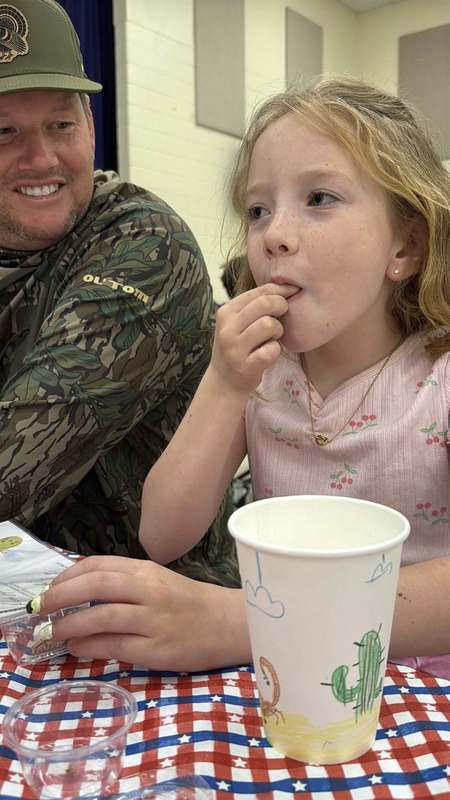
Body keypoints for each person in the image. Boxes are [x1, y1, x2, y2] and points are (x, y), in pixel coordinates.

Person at [36, 76, 450, 677]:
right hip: (278, 675)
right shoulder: (261, 374)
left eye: (320, 199)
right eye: (258, 210)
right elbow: (163, 533)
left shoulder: (438, 382)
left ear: (405, 247)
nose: (274, 235)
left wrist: (241, 622)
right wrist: (224, 382)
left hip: (414, 685)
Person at [0, 0, 238, 588]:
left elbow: (20, 457)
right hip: (25, 601)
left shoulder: (142, 242)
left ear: (89, 125)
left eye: (60, 125)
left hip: (169, 618)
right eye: (3, 131)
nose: (41, 158)